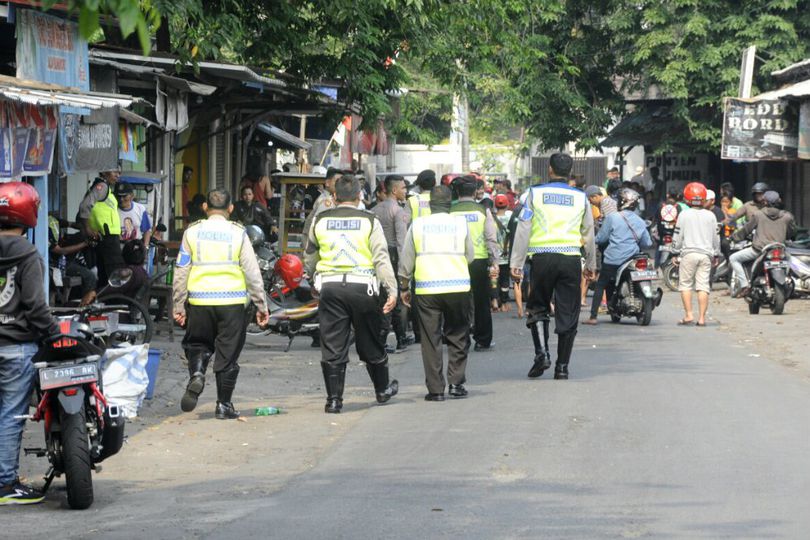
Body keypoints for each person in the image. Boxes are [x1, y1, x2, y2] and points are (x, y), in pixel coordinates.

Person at [304, 175, 399, 414]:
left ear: (334, 197)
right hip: (363, 288)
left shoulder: (320, 220)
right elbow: (380, 257)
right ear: (359, 197)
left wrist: (313, 278)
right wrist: (392, 288)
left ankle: (334, 400)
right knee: (370, 340)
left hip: (331, 287)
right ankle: (382, 389)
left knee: (333, 343)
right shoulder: (369, 221)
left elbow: (310, 254)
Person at [172, 189, 270, 420]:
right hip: (232, 302)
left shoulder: (192, 232)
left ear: (205, 207)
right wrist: (261, 305)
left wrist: (178, 305)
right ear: (231, 208)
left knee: (197, 343)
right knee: (228, 353)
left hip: (199, 300)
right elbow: (252, 272)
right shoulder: (238, 233)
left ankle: (197, 373)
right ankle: (223, 405)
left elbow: (181, 270)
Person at [511, 153, 596, 380]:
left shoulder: (534, 194)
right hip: (570, 259)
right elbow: (588, 233)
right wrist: (591, 263)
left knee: (538, 306)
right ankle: (562, 367)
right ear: (570, 172)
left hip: (541, 258)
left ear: (549, 170)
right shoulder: (581, 198)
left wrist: (516, 263)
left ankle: (542, 354)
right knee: (568, 311)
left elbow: (523, 228)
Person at [0, 182, 59, 505]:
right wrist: (54, 334)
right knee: (11, 414)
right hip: (16, 347)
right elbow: (36, 307)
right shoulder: (27, 255)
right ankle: (5, 483)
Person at [399, 185, 475, 400]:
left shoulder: (418, 225)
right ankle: (456, 384)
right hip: (458, 286)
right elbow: (469, 256)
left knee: (430, 339)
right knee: (458, 334)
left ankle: (435, 390)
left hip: (427, 289)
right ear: (450, 204)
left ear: (431, 205)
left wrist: (404, 286)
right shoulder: (461, 224)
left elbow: (406, 260)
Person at [583, 189, 652, 325]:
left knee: (601, 284)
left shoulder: (612, 218)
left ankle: (593, 317)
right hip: (633, 258)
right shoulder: (640, 221)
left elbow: (601, 238)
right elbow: (647, 243)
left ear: (620, 202)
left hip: (613, 259)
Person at [451, 175, 501, 351]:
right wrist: (494, 261)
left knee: (458, 301)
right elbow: (490, 237)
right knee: (481, 302)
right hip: (479, 261)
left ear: (457, 192)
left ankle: (460, 339)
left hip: (456, 261)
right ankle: (483, 339)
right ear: (474, 192)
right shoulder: (482, 210)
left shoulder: (450, 210)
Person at [372, 175, 412, 353]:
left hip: (376, 256)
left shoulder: (374, 210)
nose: (406, 191)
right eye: (403, 188)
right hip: (393, 255)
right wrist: (405, 269)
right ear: (394, 190)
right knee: (396, 299)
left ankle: (380, 340)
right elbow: (402, 242)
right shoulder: (398, 211)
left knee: (381, 298)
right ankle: (401, 338)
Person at [730, 190, 796, 297]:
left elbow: (746, 230)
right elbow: (792, 232)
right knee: (791, 262)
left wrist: (735, 237)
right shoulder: (787, 216)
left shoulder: (758, 215)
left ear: (765, 202)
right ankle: (789, 281)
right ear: (779, 201)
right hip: (780, 251)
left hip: (759, 251)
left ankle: (744, 285)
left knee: (733, 258)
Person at [671, 182, 720, 326]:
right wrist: (716, 254)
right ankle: (702, 318)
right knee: (703, 286)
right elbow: (715, 237)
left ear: (687, 199)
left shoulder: (684, 215)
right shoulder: (711, 215)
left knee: (685, 285)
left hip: (688, 255)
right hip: (705, 255)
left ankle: (689, 315)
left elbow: (677, 235)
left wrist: (674, 252)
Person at [81, 170, 125, 288]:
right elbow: (85, 205)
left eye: (119, 173)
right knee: (114, 275)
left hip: (109, 237)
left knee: (107, 276)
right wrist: (87, 228)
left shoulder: (107, 189)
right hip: (107, 238)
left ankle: (107, 303)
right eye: (115, 172)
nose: (117, 175)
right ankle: (113, 303)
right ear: (105, 172)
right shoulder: (102, 187)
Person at [48, 216, 97, 306]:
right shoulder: (44, 228)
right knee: (89, 276)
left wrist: (86, 228)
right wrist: (85, 243)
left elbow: (71, 224)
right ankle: (86, 305)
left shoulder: (54, 220)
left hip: (66, 259)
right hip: (56, 263)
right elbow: (62, 251)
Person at [302, 167, 342, 250]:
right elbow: (321, 230)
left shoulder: (331, 198)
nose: (341, 184)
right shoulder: (326, 202)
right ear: (327, 183)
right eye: (337, 181)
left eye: (342, 182)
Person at [493, 194, 513, 312]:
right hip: (506, 255)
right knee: (505, 279)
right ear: (507, 205)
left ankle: (495, 300)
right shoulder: (510, 218)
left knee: (494, 278)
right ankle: (504, 303)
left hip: (494, 255)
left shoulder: (491, 219)